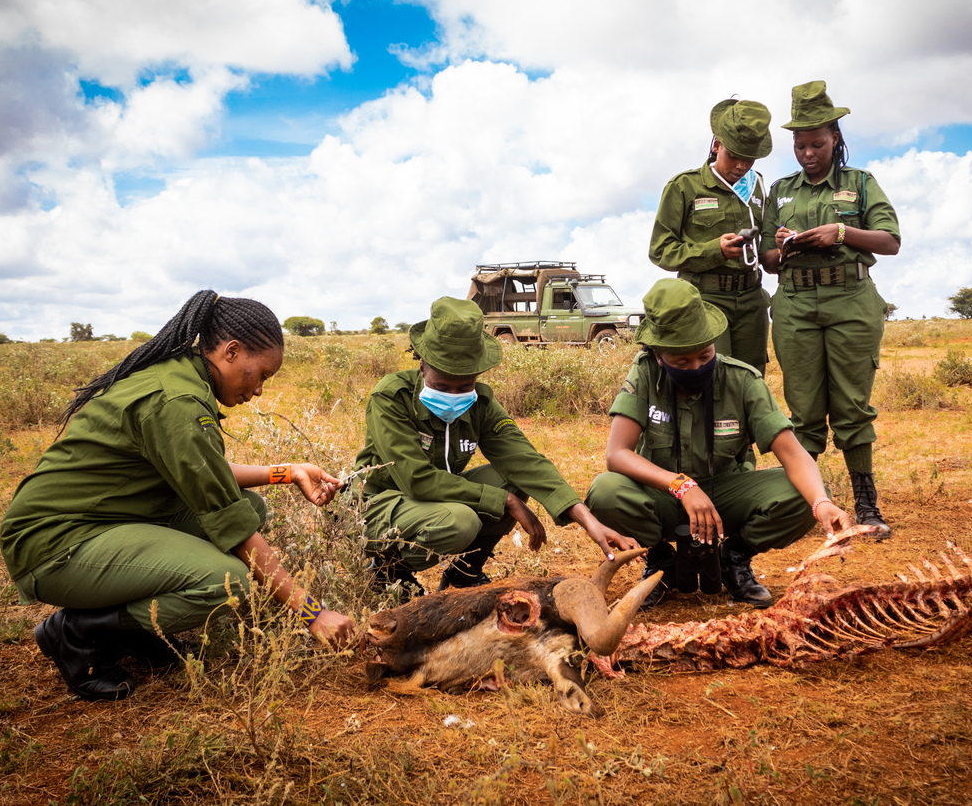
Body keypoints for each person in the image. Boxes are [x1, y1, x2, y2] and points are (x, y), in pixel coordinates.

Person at [0, 291, 355, 702]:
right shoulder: (178, 401)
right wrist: (312, 613)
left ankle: (137, 631)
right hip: (55, 543)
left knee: (252, 506)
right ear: (231, 351)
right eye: (259, 374)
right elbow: (232, 525)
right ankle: (79, 632)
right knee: (228, 583)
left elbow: (203, 473)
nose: (259, 390)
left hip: (106, 518)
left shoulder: (181, 375)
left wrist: (288, 472)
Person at [584, 279, 853, 609]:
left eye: (704, 355)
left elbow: (793, 453)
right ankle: (660, 562)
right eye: (681, 362)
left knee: (803, 495)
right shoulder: (644, 375)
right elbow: (617, 454)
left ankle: (734, 558)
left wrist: (822, 502)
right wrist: (681, 485)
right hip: (665, 497)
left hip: (727, 495)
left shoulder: (742, 380)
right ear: (657, 356)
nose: (696, 367)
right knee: (605, 492)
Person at [351, 297, 637, 593]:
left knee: (510, 479)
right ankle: (389, 572)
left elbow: (526, 462)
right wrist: (505, 501)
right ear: (422, 366)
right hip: (381, 503)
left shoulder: (481, 404)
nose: (453, 395)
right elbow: (417, 480)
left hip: (435, 498)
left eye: (464, 386)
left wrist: (588, 521)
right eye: (442, 386)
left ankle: (465, 570)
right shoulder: (391, 398)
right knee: (460, 522)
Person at [758, 80, 901, 538]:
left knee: (852, 407)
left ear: (835, 138)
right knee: (802, 412)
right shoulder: (780, 192)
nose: (807, 153)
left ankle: (867, 504)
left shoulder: (861, 183)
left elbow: (890, 241)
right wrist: (786, 247)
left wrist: (841, 233)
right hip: (796, 304)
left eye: (817, 144)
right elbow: (767, 261)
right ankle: (806, 508)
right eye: (799, 145)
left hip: (851, 303)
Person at [649, 98, 773, 374]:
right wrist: (714, 250)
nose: (741, 165)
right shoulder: (684, 187)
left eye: (749, 158)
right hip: (705, 301)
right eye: (734, 155)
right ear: (716, 144)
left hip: (752, 299)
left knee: (751, 379)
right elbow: (660, 251)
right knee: (714, 379)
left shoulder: (758, 187)